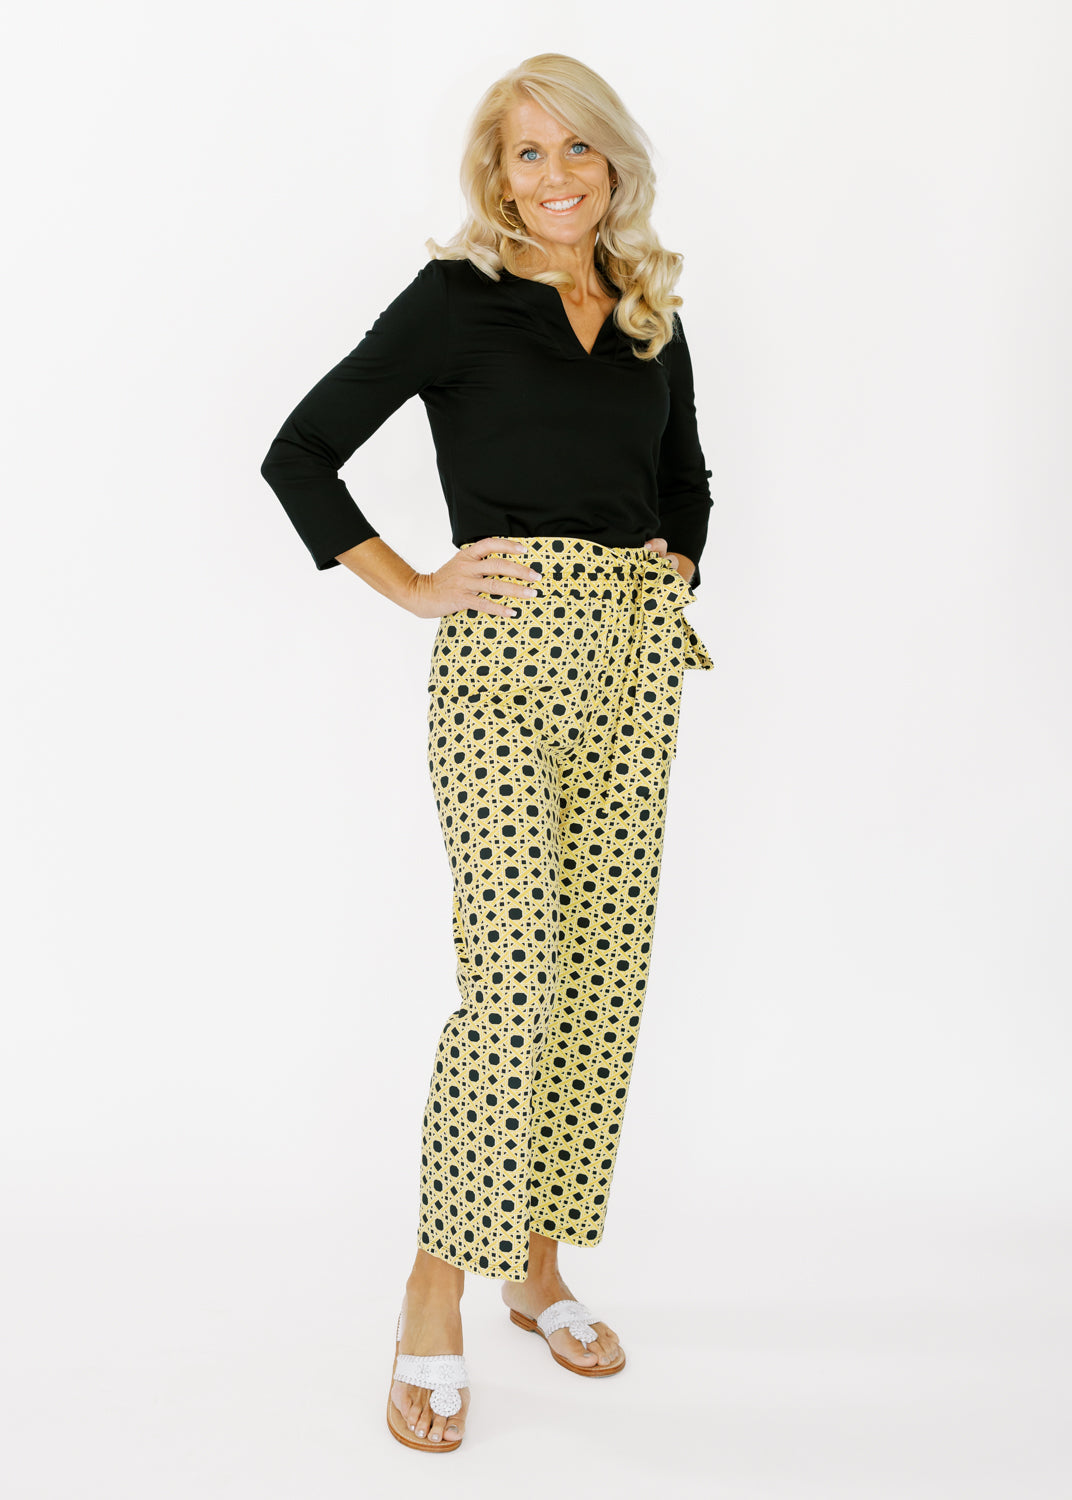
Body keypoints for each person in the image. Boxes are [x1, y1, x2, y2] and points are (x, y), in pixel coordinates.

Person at [260, 52, 715, 1453]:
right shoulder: (455, 300)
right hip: (503, 665)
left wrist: (675, 564)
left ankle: (538, 1267)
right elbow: (300, 452)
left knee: (598, 979)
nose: (557, 174)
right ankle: (433, 1288)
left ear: (613, 161)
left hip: (635, 664)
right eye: (529, 152)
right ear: (496, 175)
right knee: (512, 981)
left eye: (578, 148)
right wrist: (412, 584)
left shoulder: (647, 309)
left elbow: (687, 479)